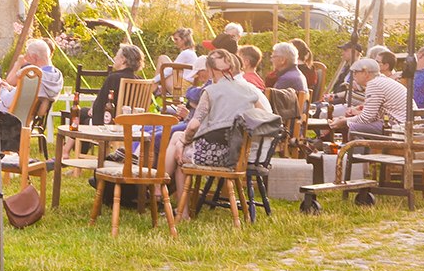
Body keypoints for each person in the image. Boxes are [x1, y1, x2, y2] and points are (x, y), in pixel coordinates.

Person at [163, 48, 268, 211]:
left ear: (211, 71)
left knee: (180, 157)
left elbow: (194, 125)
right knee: (180, 142)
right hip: (238, 155)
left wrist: (182, 143)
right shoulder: (248, 90)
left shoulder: (211, 91)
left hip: (215, 156)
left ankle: (172, 200)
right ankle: (163, 191)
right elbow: (264, 117)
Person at [57, 44, 143, 159]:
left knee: (81, 115)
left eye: (116, 56)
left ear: (123, 60)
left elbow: (100, 103)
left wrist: (94, 110)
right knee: (84, 113)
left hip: (110, 124)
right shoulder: (140, 81)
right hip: (131, 125)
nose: (114, 58)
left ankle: (68, 153)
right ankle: (67, 152)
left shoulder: (114, 78)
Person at [330, 57, 407, 136]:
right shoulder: (381, 80)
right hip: (400, 123)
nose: (353, 75)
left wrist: (344, 121)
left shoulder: (374, 84)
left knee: (353, 127)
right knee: (352, 123)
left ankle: (346, 143)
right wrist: (357, 113)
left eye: (356, 72)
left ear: (366, 73)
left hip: (399, 127)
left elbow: (366, 118)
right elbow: (372, 116)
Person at [0, 38, 63, 113]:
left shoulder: (32, 77)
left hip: (8, 117)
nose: (25, 58)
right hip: (30, 116)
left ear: (34, 57)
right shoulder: (56, 77)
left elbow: (8, 101)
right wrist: (11, 88)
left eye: (27, 55)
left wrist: (3, 89)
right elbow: (29, 94)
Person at [155, 27, 199, 94]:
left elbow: (169, 70)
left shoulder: (186, 53)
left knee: (162, 59)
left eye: (176, 39)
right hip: (186, 84)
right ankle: (156, 87)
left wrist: (154, 80)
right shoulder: (190, 52)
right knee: (163, 58)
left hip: (182, 87)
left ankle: (155, 87)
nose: (175, 42)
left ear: (184, 40)